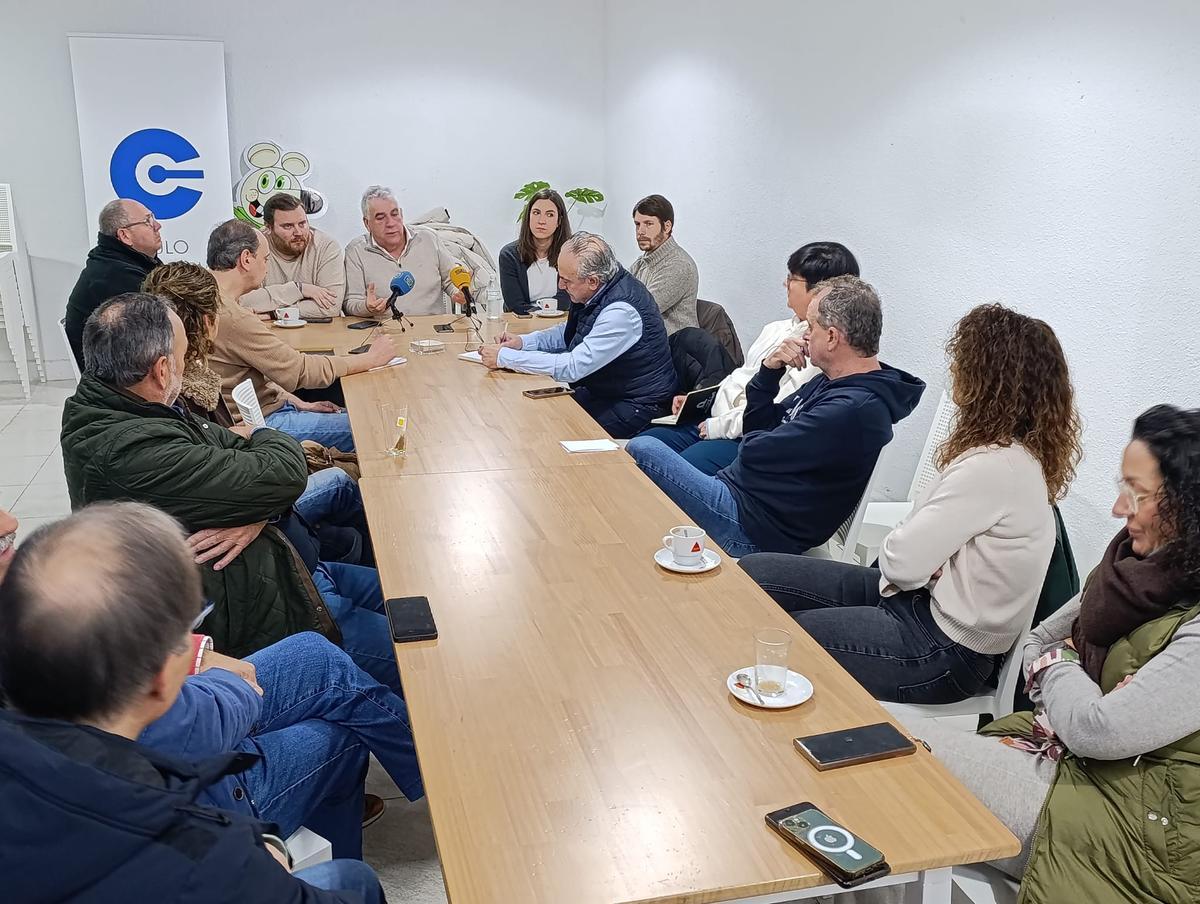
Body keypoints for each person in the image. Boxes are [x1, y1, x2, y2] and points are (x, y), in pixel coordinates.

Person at [878, 405, 1200, 904]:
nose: (1118, 508)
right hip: (1069, 759)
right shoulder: (1128, 569)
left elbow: (1101, 728)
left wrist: (1061, 665)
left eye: (1137, 493)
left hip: (1139, 826)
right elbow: (1036, 642)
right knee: (873, 749)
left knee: (882, 755)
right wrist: (1069, 678)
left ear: (1189, 504)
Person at [0, 503, 389, 903]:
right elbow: (191, 739)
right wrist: (259, 849)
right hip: (213, 815)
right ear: (158, 677)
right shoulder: (209, 859)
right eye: (186, 631)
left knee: (314, 659)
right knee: (353, 879)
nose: (10, 521)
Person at [60, 294, 401, 699]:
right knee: (412, 654)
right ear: (163, 368)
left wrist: (255, 508)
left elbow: (251, 466)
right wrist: (261, 468)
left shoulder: (123, 402)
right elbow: (281, 472)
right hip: (268, 603)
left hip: (287, 563)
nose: (189, 366)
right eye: (183, 355)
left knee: (406, 598)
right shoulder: (128, 447)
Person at [739, 304, 1080, 703]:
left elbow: (902, 561)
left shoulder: (995, 466)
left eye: (963, 361)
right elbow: (911, 560)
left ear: (989, 378)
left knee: (785, 638)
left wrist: (923, 557)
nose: (954, 370)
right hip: (917, 603)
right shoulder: (1007, 457)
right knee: (754, 572)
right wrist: (927, 559)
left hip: (943, 648)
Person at [627, 275, 923, 558]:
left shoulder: (852, 409)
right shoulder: (833, 381)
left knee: (643, 450)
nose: (805, 335)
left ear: (832, 337)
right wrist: (769, 370)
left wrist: (755, 440)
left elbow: (753, 449)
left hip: (751, 527)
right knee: (643, 458)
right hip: (740, 497)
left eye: (811, 326)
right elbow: (759, 428)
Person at [143, 262, 372, 565]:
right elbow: (229, 480)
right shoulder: (182, 396)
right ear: (210, 322)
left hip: (250, 502)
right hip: (251, 530)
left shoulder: (164, 387)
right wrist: (263, 510)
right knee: (348, 467)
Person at [638, 241, 860, 475]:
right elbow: (740, 378)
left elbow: (776, 409)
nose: (785, 284)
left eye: (792, 278)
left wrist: (716, 427)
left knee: (669, 472)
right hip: (713, 420)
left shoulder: (817, 349)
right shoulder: (776, 329)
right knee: (641, 446)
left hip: (741, 436)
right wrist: (697, 402)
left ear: (821, 290)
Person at [207, 218, 398, 451]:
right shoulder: (232, 316)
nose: (266, 268)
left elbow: (254, 376)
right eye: (265, 260)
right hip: (261, 423)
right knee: (376, 423)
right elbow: (299, 371)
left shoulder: (215, 302)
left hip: (269, 409)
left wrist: (297, 402)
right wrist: (369, 359)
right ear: (246, 259)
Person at [480, 232, 677, 438]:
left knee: (559, 433)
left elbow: (573, 367)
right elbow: (569, 331)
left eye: (566, 280)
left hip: (639, 405)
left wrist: (504, 358)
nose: (560, 286)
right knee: (538, 415)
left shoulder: (621, 312)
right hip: (605, 390)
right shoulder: (600, 288)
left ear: (592, 281)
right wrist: (522, 342)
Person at [64, 198, 162, 368]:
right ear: (124, 235)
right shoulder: (114, 275)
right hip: (113, 374)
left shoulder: (123, 260)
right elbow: (161, 325)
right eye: (148, 221)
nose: (158, 225)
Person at [343, 185, 466, 318]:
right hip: (384, 332)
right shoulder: (355, 251)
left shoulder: (428, 239)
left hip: (432, 331)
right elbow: (350, 303)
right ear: (367, 223)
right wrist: (367, 308)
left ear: (401, 214)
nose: (390, 223)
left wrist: (458, 292)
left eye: (394, 214)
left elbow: (450, 279)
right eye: (380, 218)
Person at [238, 192, 346, 320]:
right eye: (288, 226)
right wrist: (299, 289)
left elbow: (331, 306)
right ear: (268, 227)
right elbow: (241, 302)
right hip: (267, 332)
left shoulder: (326, 247)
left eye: (302, 224)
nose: (298, 232)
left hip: (317, 333)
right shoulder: (254, 248)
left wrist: (273, 313)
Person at [628, 194, 699, 334]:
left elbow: (639, 309)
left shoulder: (679, 264)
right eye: (637, 224)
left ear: (667, 227)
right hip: (647, 344)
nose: (640, 232)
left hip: (674, 348)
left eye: (648, 224)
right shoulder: (644, 261)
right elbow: (617, 292)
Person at [498, 188, 572, 314]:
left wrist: (542, 313)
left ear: (559, 221)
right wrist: (545, 311)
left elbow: (565, 301)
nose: (541, 221)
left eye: (550, 215)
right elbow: (515, 304)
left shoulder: (570, 255)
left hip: (559, 321)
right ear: (528, 217)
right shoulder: (509, 255)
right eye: (536, 213)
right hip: (521, 322)